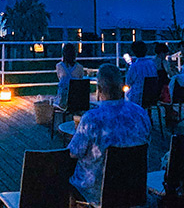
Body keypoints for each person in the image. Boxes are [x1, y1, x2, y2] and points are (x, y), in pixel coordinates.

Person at [68, 64, 151, 204]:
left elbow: (72, 153)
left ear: (99, 89)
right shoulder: (140, 114)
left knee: (66, 172)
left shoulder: (91, 119)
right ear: (123, 86)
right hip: (132, 189)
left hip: (96, 192)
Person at [125, 40, 159, 105]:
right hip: (152, 95)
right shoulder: (152, 63)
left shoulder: (134, 66)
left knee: (126, 94)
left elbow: (128, 82)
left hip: (138, 96)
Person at [55, 43, 85, 109]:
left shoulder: (59, 66)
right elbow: (81, 79)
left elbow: (59, 77)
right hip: (77, 99)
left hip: (63, 100)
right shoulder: (80, 67)